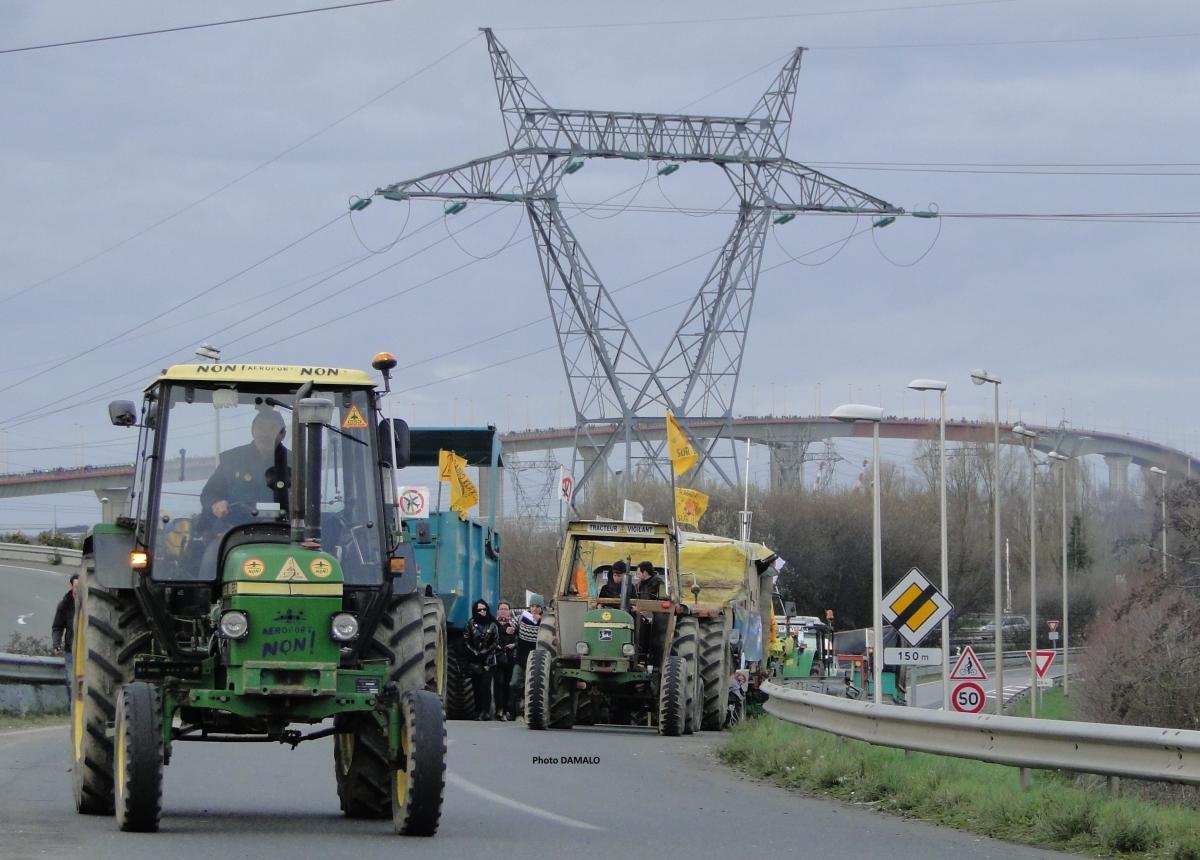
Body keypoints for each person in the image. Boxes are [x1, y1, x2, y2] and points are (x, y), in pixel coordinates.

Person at [200, 407, 290, 523]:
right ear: (252, 430)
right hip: (233, 528)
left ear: (283, 434)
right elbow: (209, 493)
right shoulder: (231, 460)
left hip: (284, 528)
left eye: (272, 428)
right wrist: (216, 504)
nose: (265, 433)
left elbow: (309, 500)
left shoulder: (297, 463)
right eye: (260, 427)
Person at [463, 599, 499, 720]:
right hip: (475, 660)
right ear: (475, 611)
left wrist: (486, 651)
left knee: (486, 685)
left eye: (485, 609)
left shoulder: (492, 625)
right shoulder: (470, 624)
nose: (483, 611)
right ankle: (478, 711)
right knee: (476, 687)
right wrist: (475, 652)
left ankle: (486, 711)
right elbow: (466, 640)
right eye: (480, 610)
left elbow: (495, 641)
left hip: (488, 659)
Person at [512, 597, 543, 717]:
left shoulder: (545, 620)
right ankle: (520, 700)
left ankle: (526, 708)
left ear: (541, 608)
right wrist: (509, 629)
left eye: (537, 606)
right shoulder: (522, 617)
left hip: (536, 659)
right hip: (521, 657)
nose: (534, 609)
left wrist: (541, 621)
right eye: (532, 606)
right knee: (514, 682)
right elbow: (511, 625)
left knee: (532, 685)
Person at [51, 574, 78, 702]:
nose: (78, 590)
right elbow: (57, 627)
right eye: (76, 587)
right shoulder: (64, 604)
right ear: (71, 586)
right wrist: (56, 644)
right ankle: (72, 707)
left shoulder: (91, 603)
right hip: (70, 650)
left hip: (87, 651)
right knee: (71, 680)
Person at [493, 601, 518, 721]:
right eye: (501, 609)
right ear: (498, 611)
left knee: (509, 684)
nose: (503, 611)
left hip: (510, 657)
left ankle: (507, 710)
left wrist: (514, 645)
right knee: (498, 683)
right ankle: (499, 709)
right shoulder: (494, 624)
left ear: (509, 611)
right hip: (497, 656)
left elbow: (519, 638)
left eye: (506, 609)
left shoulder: (514, 624)